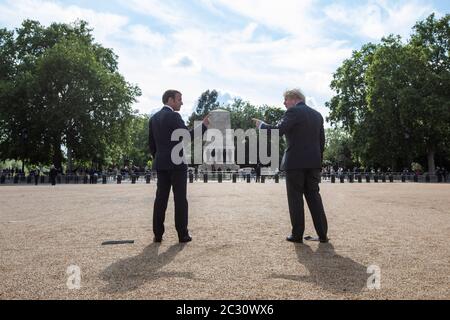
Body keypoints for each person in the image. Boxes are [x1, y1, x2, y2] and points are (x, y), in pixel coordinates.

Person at [253, 89, 329, 244]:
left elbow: (278, 131)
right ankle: (322, 234)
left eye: (285, 100)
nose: (284, 103)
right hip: (313, 163)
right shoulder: (317, 115)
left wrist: (262, 125)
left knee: (295, 199)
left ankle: (297, 234)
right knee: (314, 197)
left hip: (295, 163)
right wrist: (318, 161)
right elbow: (322, 142)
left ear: (294, 99)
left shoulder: (293, 112)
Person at [149, 90, 209, 243]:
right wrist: (203, 126)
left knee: (160, 199)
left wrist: (160, 158)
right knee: (180, 200)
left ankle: (158, 234)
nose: (181, 102)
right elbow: (187, 136)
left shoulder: (153, 118)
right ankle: (182, 234)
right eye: (179, 99)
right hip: (177, 163)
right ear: (170, 100)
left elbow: (152, 145)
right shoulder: (174, 116)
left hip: (161, 163)